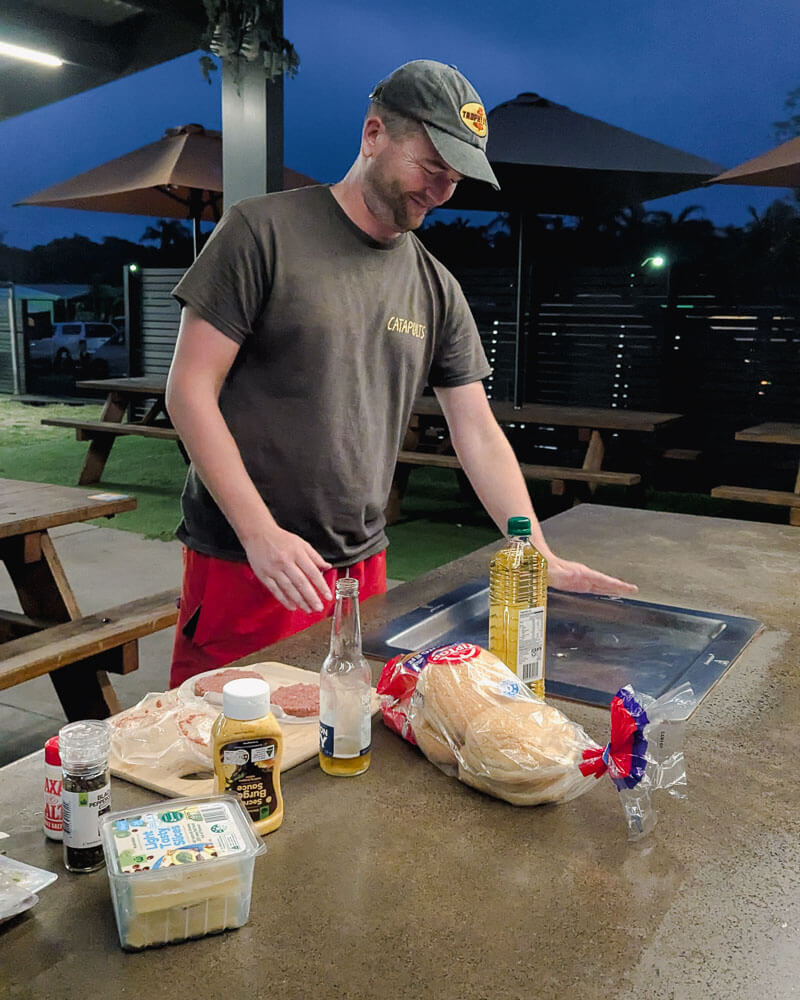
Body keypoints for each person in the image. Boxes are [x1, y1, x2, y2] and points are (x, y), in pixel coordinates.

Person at [165, 59, 636, 688]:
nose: (440, 192)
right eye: (430, 167)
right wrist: (260, 534)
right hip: (249, 561)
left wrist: (534, 551)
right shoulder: (261, 231)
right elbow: (190, 390)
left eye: (455, 179)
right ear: (373, 134)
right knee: (223, 754)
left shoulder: (435, 285)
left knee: (348, 747)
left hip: (363, 568)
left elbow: (476, 429)